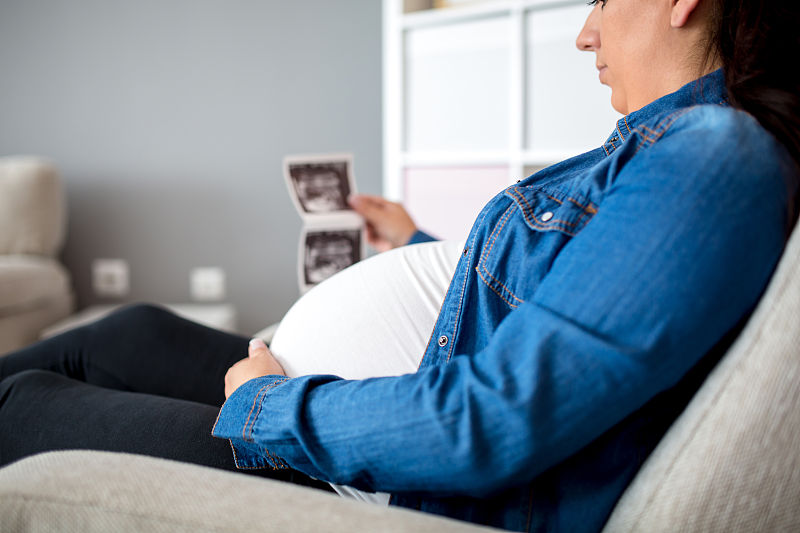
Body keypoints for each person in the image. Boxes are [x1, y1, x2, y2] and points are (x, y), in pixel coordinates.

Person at [1, 0, 799, 531]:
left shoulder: (713, 160)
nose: (585, 32)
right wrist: (417, 246)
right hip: (380, 415)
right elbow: (554, 316)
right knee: (126, 333)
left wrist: (269, 405)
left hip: (388, 483)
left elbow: (498, 417)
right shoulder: (669, 154)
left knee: (27, 406)